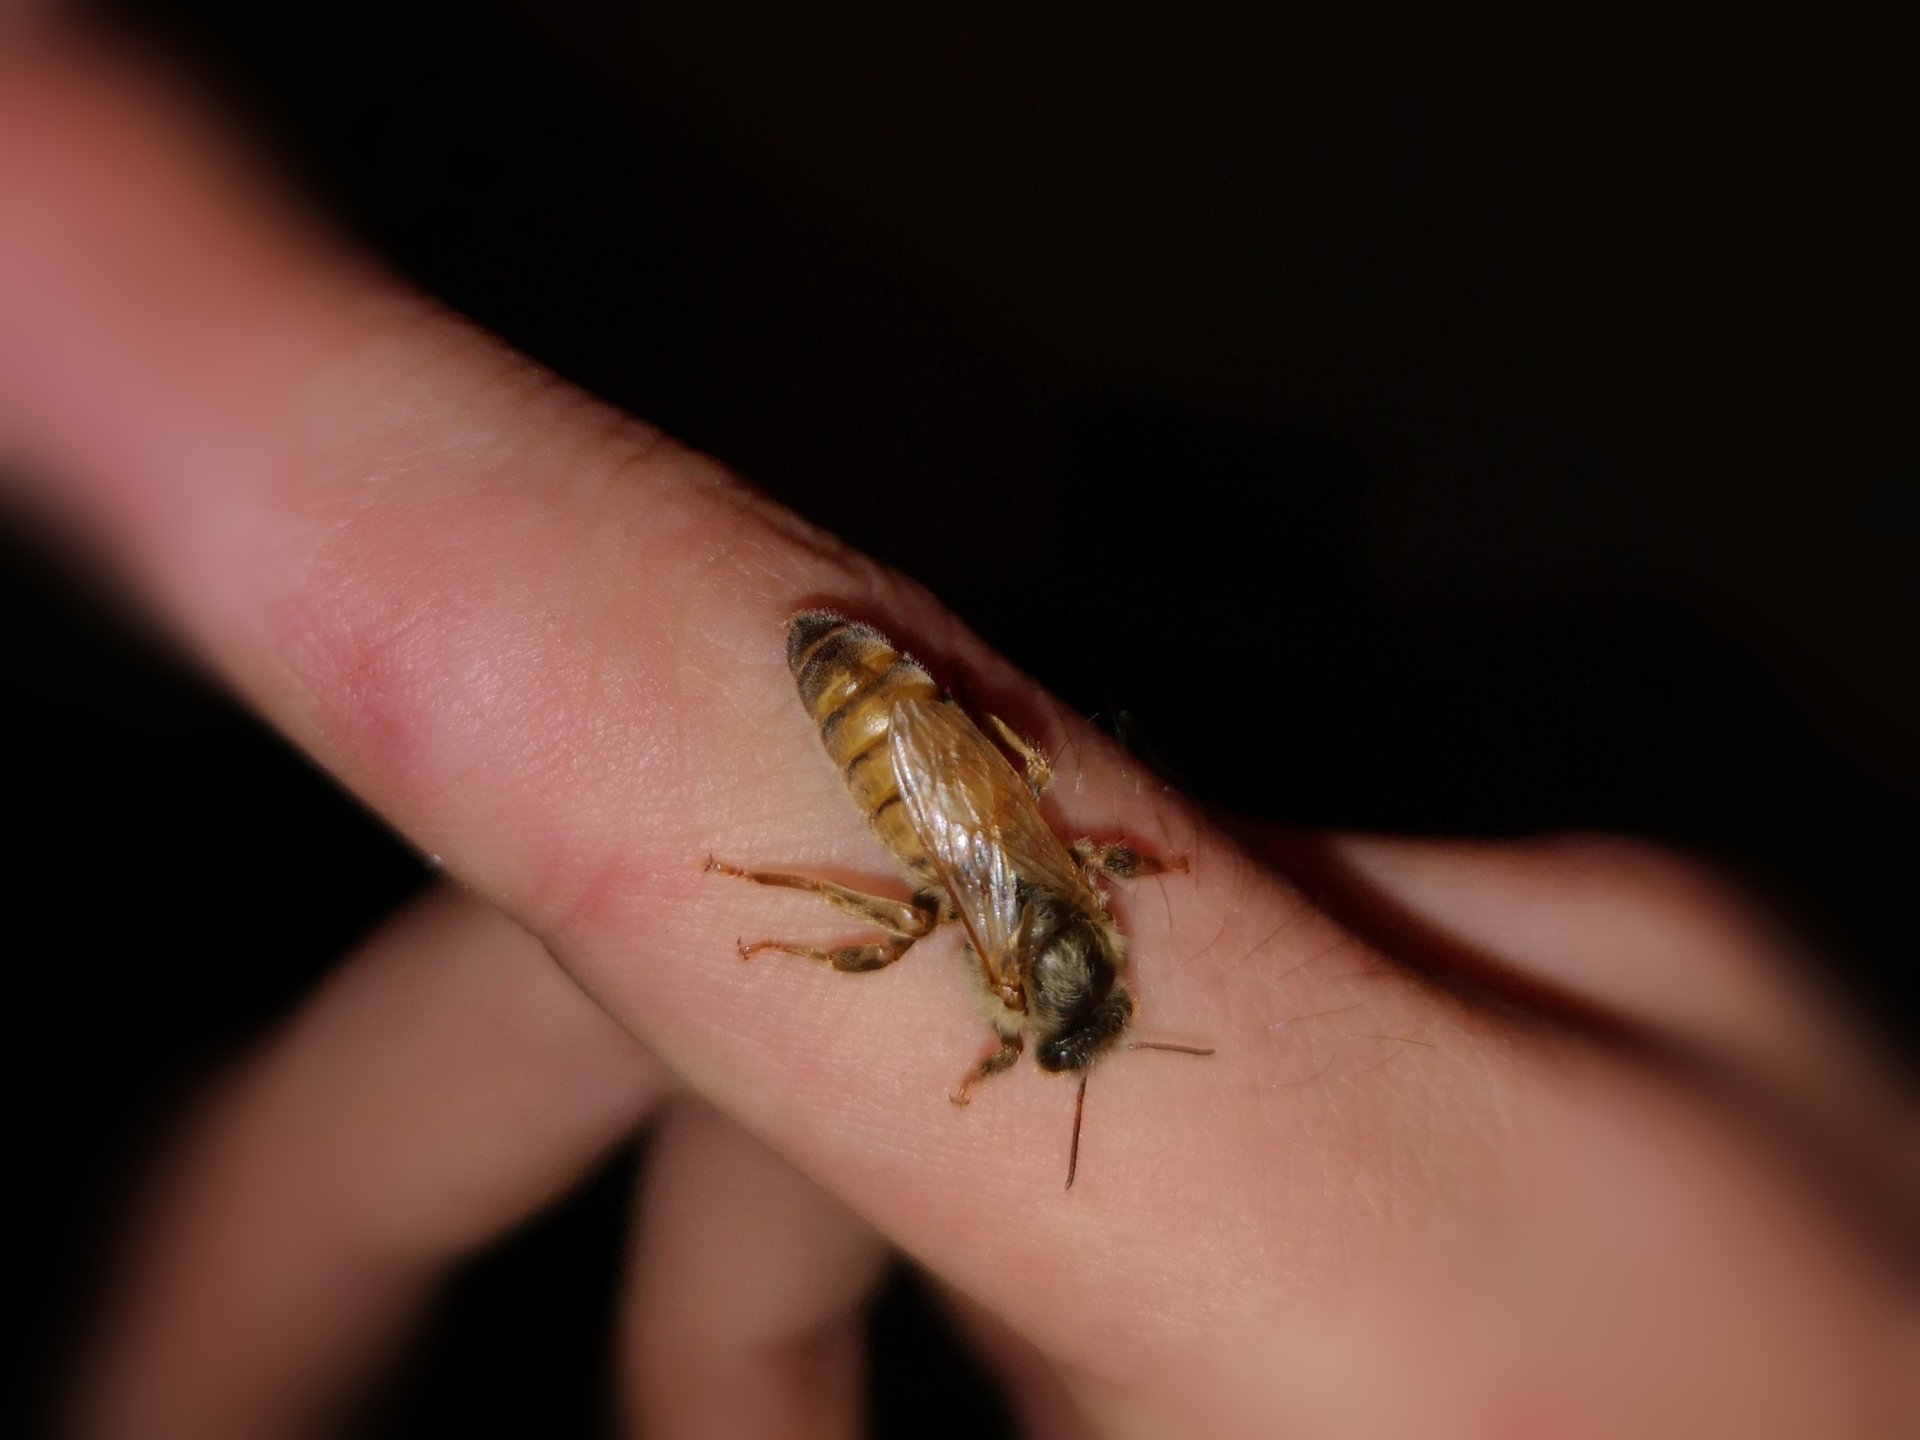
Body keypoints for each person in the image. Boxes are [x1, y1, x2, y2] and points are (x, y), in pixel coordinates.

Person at [1, 35, 1909, 1439]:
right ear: (1047, 979)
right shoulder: (1021, 960)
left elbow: (1074, 873)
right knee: (886, 907)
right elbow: (1023, 951)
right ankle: (774, 887)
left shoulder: (1071, 903)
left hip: (917, 735)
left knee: (924, 865)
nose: (1049, 1013)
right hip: (894, 740)